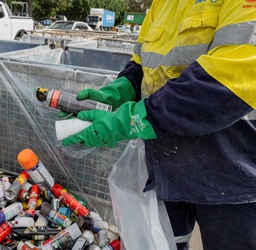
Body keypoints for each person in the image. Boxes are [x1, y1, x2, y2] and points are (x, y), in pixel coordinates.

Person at [61, 1, 256, 249]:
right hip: (169, 167)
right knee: (163, 243)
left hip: (232, 170)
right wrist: (125, 87)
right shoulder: (162, 3)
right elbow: (144, 63)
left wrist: (131, 120)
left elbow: (229, 82)